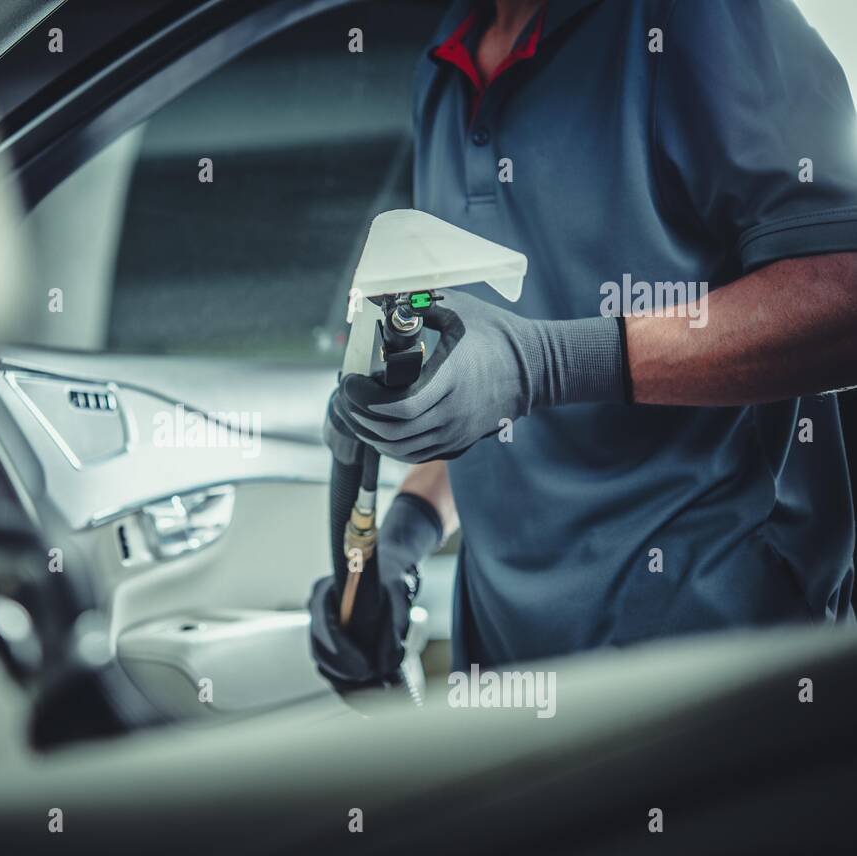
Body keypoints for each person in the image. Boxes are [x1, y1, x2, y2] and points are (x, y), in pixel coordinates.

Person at [310, 0, 857, 688]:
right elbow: (494, 376)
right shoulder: (443, 65)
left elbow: (844, 292)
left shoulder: (703, 17)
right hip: (504, 659)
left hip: (709, 654)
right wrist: (407, 534)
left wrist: (551, 363)